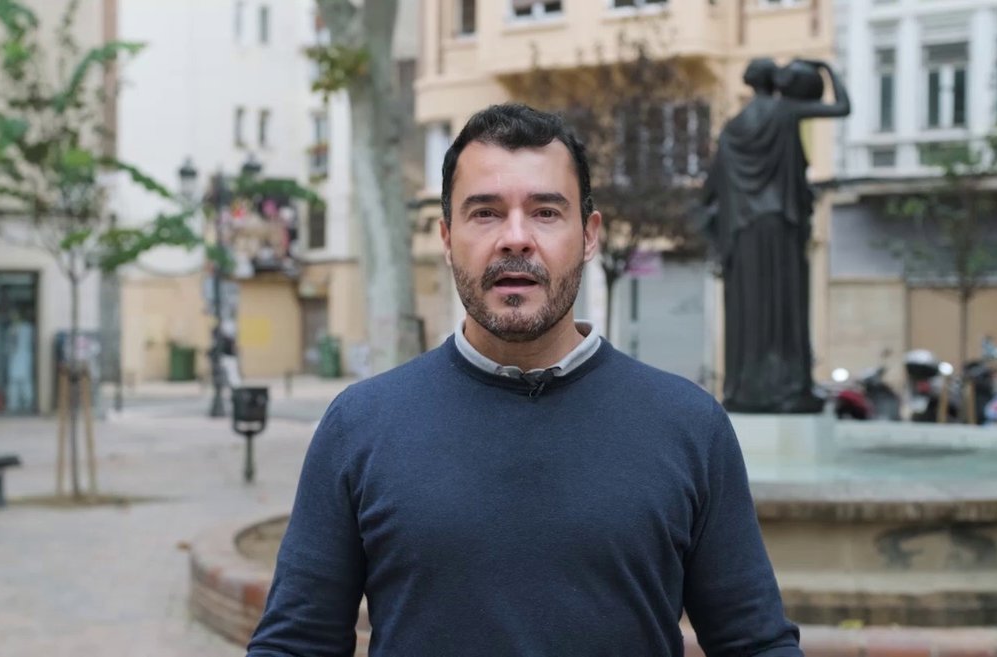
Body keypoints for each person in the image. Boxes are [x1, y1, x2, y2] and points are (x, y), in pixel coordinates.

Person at [248, 103, 801, 657]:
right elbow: (296, 645)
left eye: (545, 212)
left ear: (588, 235)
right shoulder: (359, 426)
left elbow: (755, 644)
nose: (515, 238)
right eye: (485, 213)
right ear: (446, 238)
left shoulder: (690, 426)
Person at [702, 57, 850, 414]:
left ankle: (745, 388)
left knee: (748, 309)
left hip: (742, 230)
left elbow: (711, 191)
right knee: (785, 306)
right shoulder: (785, 111)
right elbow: (842, 108)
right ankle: (789, 387)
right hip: (780, 223)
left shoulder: (733, 128)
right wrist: (827, 69)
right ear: (776, 82)